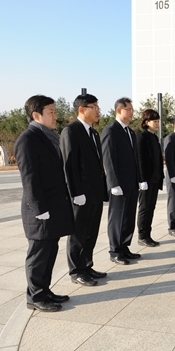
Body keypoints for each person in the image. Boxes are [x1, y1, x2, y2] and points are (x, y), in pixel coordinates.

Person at [14, 95, 75, 312]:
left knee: (50, 251)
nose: (55, 116)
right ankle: (35, 296)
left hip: (54, 207)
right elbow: (29, 179)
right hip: (39, 210)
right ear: (36, 114)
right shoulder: (27, 140)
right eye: (51, 111)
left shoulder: (48, 137)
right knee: (38, 254)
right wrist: (39, 209)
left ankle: (44, 290)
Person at [60, 94, 108, 286]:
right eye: (94, 107)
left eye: (98, 107)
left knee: (91, 232)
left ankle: (87, 265)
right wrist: (75, 193)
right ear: (82, 109)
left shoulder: (94, 133)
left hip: (95, 192)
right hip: (81, 194)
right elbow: (69, 165)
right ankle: (76, 270)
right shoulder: (70, 131)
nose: (98, 111)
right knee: (78, 234)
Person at [101, 97, 142, 265]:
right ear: (119, 111)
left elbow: (135, 159)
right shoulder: (110, 131)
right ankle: (115, 250)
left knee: (128, 217)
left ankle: (124, 246)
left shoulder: (130, 132)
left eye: (132, 110)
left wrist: (139, 179)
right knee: (117, 217)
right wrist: (114, 183)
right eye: (129, 110)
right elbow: (108, 159)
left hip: (131, 183)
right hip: (119, 184)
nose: (132, 113)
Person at [136, 109, 164, 247]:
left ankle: (148, 234)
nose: (157, 123)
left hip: (154, 179)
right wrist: (142, 179)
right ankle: (142, 235)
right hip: (146, 180)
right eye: (155, 121)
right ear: (146, 122)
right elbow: (140, 159)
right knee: (144, 208)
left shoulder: (154, 137)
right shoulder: (141, 137)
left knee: (151, 207)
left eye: (158, 121)